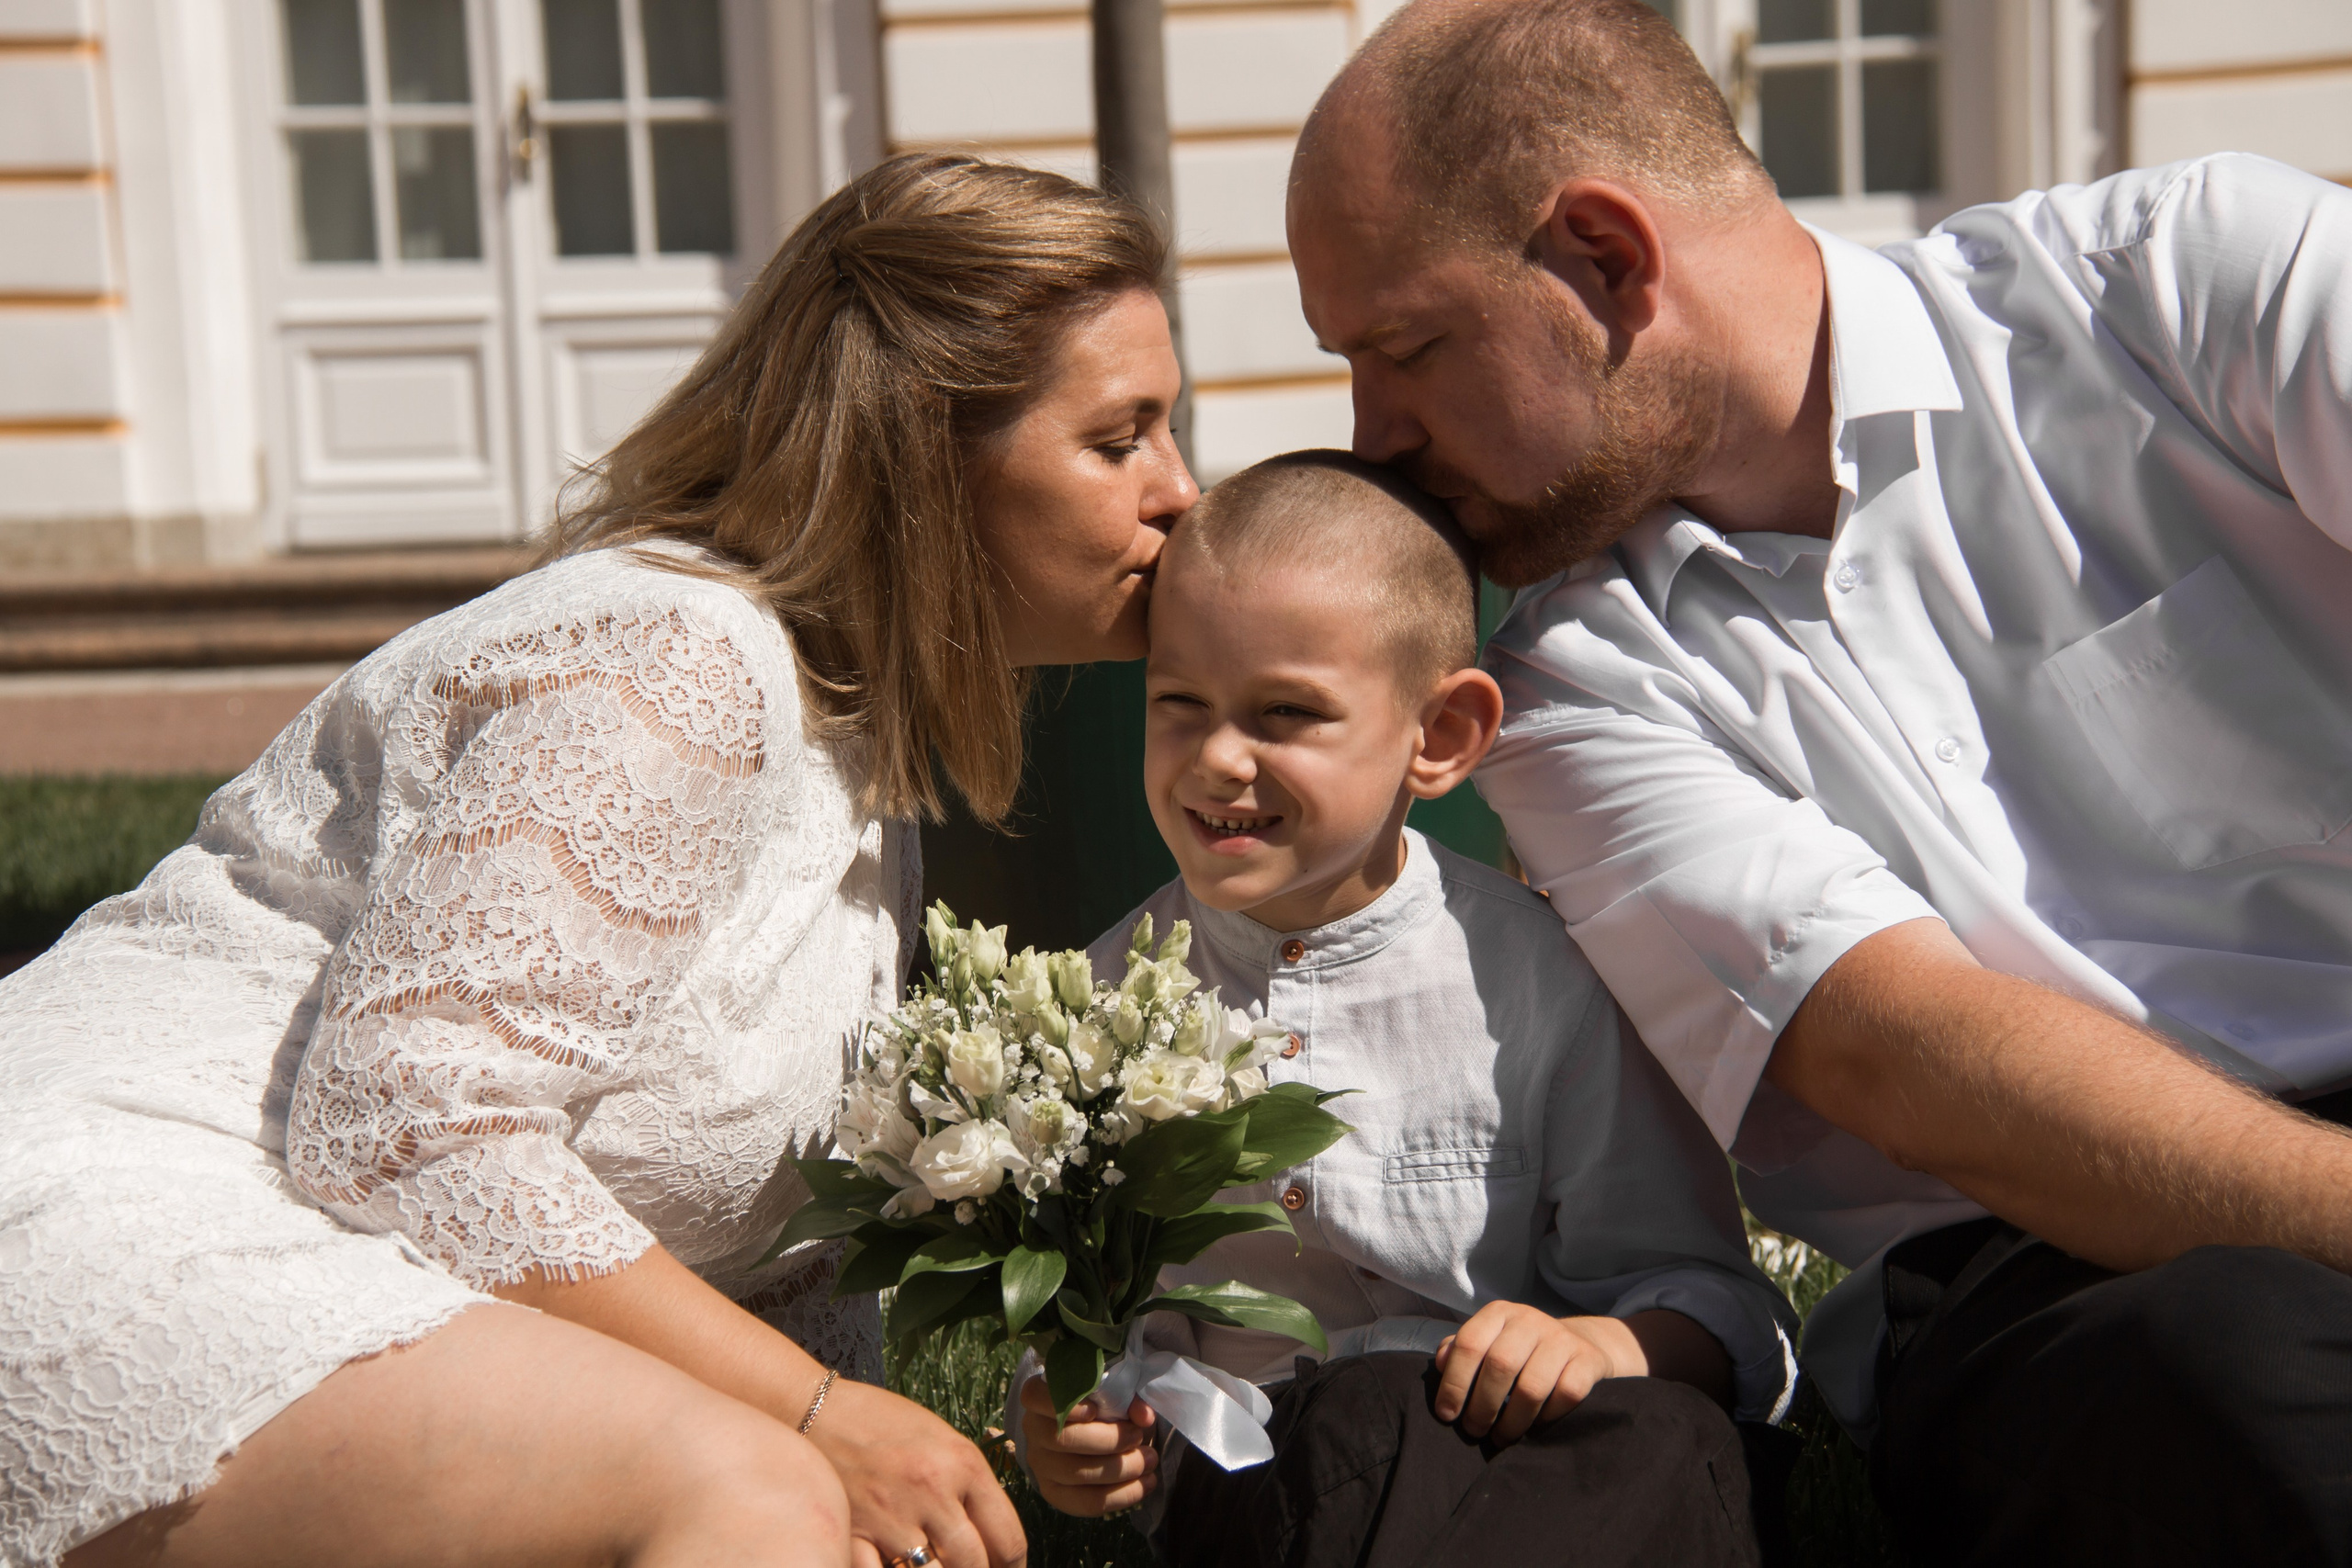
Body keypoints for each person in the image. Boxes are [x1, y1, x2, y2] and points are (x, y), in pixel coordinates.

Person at [0, 152, 1199, 1568]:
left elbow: (748, 1266)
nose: (1179, 490)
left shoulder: (852, 747)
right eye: (1120, 437)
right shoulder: (677, 658)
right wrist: (820, 1420)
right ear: (923, 456)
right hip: (122, 1216)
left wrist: (878, 1418)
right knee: (751, 1491)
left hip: (329, 1250)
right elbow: (406, 1114)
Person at [1285, 0, 2352, 1562]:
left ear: (1605, 255)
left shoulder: (2190, 284)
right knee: (2228, 1373)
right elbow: (1921, 1064)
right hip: (2049, 1282)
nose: (1372, 438)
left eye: (1403, 348)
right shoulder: (1570, 694)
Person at [1014, 451, 1798, 1566]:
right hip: (1278, 1482)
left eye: (1286, 713)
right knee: (1371, 1413)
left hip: (1541, 1457)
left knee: (1667, 1434)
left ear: (1437, 738)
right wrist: (1067, 1424)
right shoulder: (1095, 1008)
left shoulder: (1543, 981)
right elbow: (1074, 1330)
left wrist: (1596, 1347)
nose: (1219, 758)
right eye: (1179, 705)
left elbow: (1716, 1305)